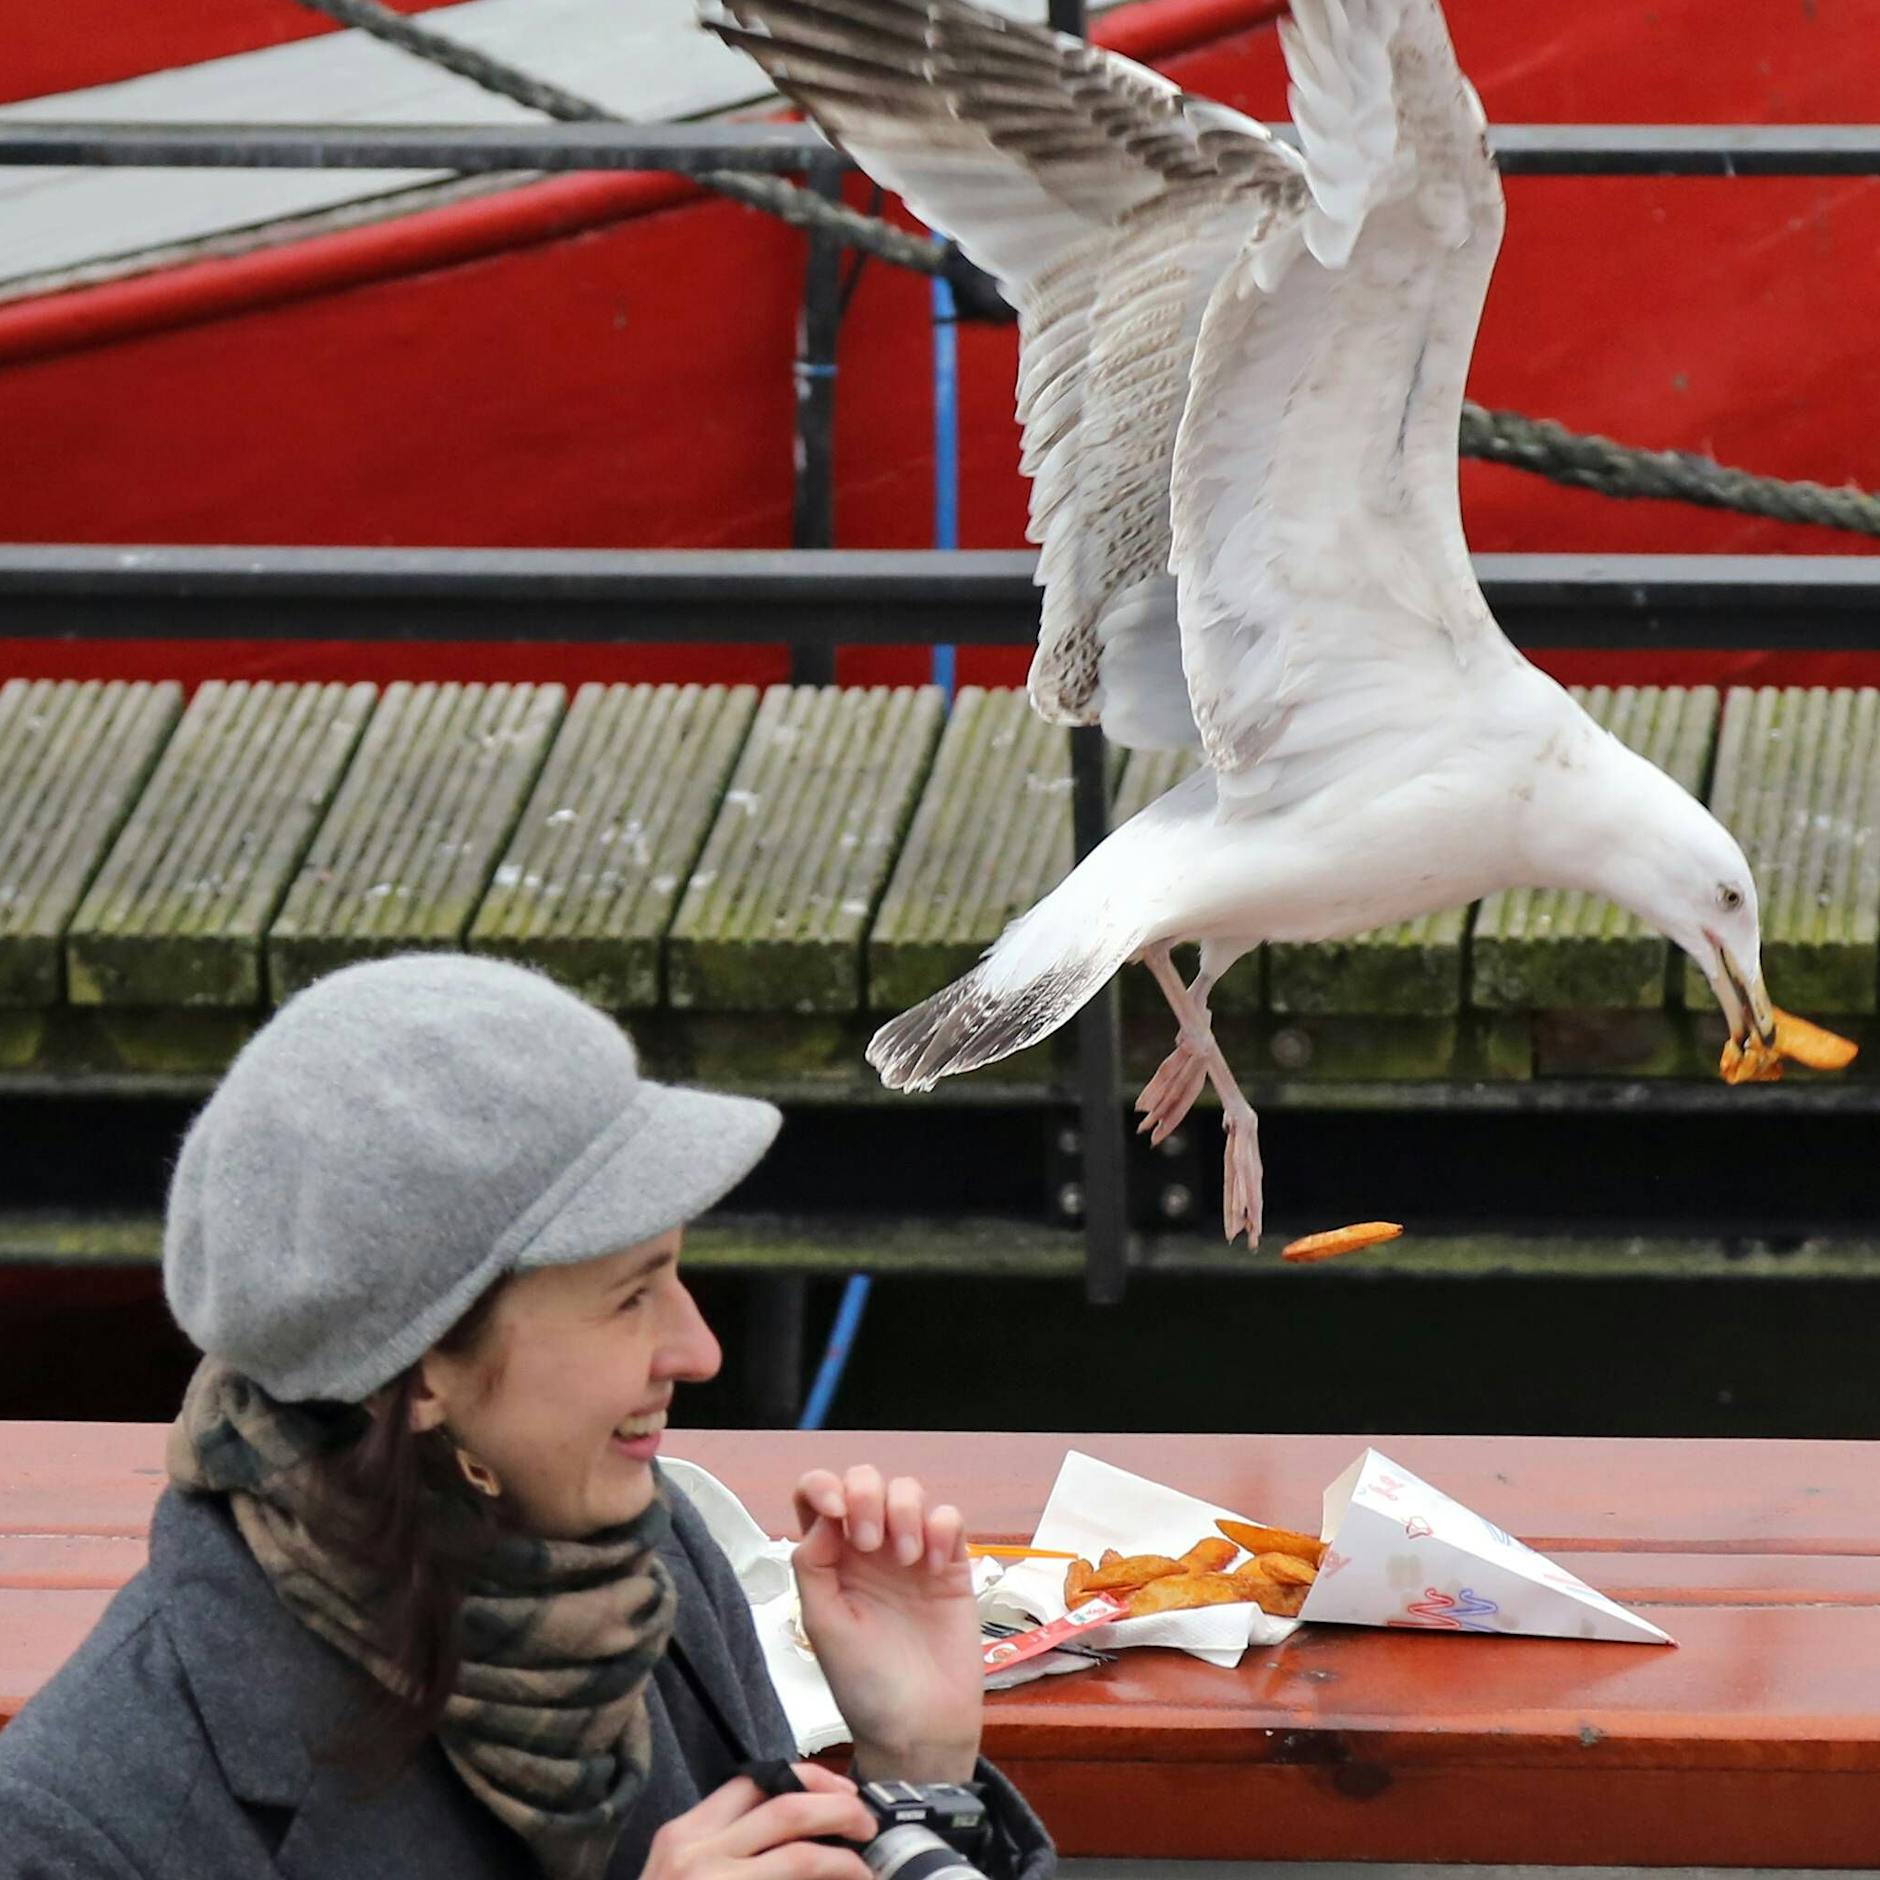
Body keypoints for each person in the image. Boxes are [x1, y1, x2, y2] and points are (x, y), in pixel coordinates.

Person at [0, 954, 1053, 1880]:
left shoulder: (644, 1565)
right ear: (416, 1374)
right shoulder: (88, 1822)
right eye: (631, 1294)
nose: (699, 1349)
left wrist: (918, 1774)